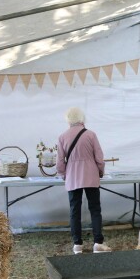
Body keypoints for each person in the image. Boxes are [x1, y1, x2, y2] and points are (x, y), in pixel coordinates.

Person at [56, 107, 111, 254]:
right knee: (95, 209)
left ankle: (77, 245)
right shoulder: (91, 135)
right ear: (82, 119)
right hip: (91, 175)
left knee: (75, 210)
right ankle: (98, 242)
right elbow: (99, 158)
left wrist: (63, 174)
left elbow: (60, 162)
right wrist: (100, 171)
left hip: (72, 177)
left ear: (68, 120)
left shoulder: (62, 137)